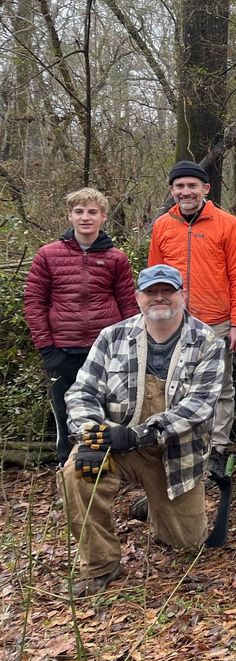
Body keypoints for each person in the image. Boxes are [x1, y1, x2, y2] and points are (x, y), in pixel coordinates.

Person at [60, 265, 225, 595]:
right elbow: (81, 391)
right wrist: (93, 433)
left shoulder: (207, 342)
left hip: (175, 453)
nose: (159, 298)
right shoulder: (112, 337)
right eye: (151, 292)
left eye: (168, 291)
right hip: (115, 446)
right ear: (138, 298)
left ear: (183, 295)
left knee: (186, 545)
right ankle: (100, 564)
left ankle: (151, 505)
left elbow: (198, 406)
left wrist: (142, 434)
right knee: (77, 473)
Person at [24, 188, 138, 465]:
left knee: (108, 409)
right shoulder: (48, 255)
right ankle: (67, 464)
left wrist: (129, 345)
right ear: (70, 216)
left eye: (92, 212)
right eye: (79, 211)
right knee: (64, 411)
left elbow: (129, 305)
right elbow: (34, 302)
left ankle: (106, 466)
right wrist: (47, 347)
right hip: (62, 349)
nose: (85, 217)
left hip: (106, 351)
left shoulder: (116, 258)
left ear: (103, 217)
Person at [149, 160, 236, 476]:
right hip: (174, 324)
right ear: (172, 190)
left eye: (192, 186)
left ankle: (217, 450)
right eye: (180, 186)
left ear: (206, 189)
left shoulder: (228, 224)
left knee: (221, 388)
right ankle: (181, 446)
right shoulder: (163, 226)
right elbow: (153, 278)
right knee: (174, 387)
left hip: (217, 321)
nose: (186, 191)